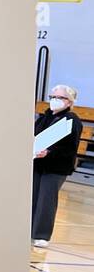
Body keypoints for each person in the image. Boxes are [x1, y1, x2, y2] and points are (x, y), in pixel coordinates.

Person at [33, 84, 83, 248]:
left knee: (46, 200)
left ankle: (42, 235)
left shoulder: (71, 120)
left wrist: (49, 153)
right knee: (33, 197)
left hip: (56, 168)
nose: (55, 100)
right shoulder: (44, 117)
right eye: (53, 97)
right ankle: (29, 230)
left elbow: (69, 148)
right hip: (38, 164)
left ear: (69, 102)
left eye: (60, 97)